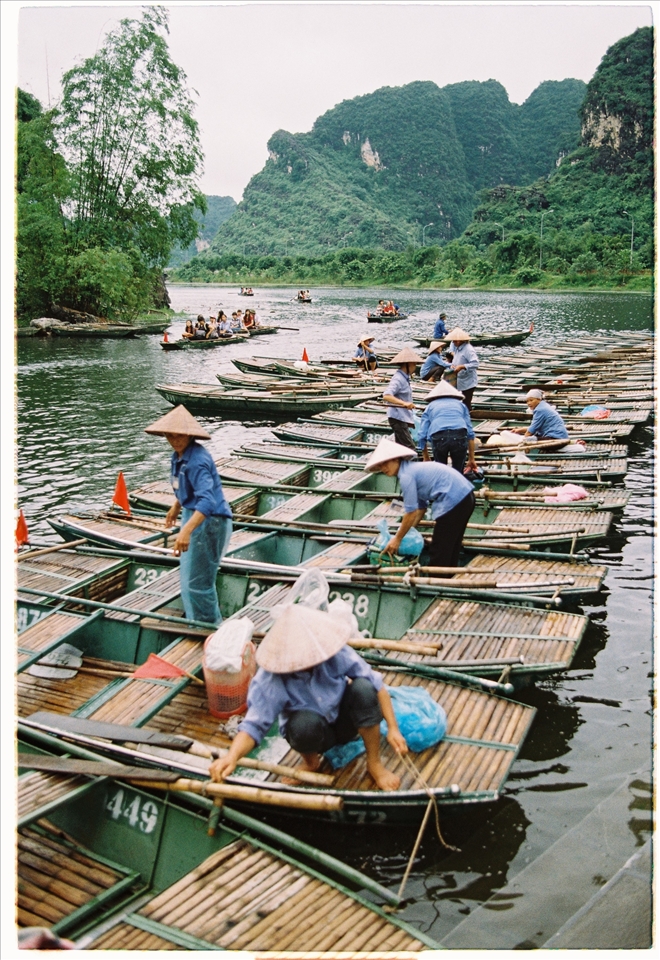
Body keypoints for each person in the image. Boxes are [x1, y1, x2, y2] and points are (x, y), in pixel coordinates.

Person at [208, 603, 407, 791]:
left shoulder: (333, 653)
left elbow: (377, 685)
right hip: (311, 733)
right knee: (303, 725)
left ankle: (375, 763)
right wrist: (231, 757)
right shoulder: (270, 679)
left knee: (364, 689)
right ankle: (311, 763)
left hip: (345, 722)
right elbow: (253, 725)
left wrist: (393, 728)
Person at [145, 405, 233, 625]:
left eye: (180, 436)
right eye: (170, 436)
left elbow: (208, 501)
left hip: (209, 521)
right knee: (188, 579)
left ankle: (209, 629)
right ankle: (199, 622)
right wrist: (177, 505)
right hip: (193, 516)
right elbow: (188, 487)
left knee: (197, 583)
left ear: (189, 435)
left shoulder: (197, 461)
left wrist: (186, 530)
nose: (175, 440)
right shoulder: (178, 456)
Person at [364, 437, 475, 568]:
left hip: (455, 500)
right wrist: (408, 531)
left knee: (439, 549)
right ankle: (447, 578)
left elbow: (411, 512)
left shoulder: (406, 476)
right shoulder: (411, 471)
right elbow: (421, 508)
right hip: (466, 497)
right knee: (451, 546)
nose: (383, 468)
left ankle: (435, 582)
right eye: (380, 466)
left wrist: (398, 539)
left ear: (395, 459)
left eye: (385, 463)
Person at [417, 380, 478, 475]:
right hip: (459, 434)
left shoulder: (430, 406)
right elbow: (470, 434)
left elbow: (421, 435)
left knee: (441, 473)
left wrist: (426, 457)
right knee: (458, 474)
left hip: (438, 435)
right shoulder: (461, 405)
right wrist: (471, 459)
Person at [382, 347, 422, 450]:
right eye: (414, 364)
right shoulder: (398, 379)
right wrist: (404, 404)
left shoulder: (405, 377)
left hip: (402, 416)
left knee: (400, 448)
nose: (415, 367)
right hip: (397, 417)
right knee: (409, 448)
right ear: (408, 364)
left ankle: (401, 465)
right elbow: (387, 395)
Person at [446, 327, 479, 411]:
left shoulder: (468, 349)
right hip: (460, 380)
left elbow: (475, 363)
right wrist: (453, 366)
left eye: (454, 341)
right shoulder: (458, 348)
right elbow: (457, 359)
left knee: (466, 403)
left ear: (459, 340)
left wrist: (462, 366)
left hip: (468, 381)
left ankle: (468, 419)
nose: (453, 342)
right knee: (461, 401)